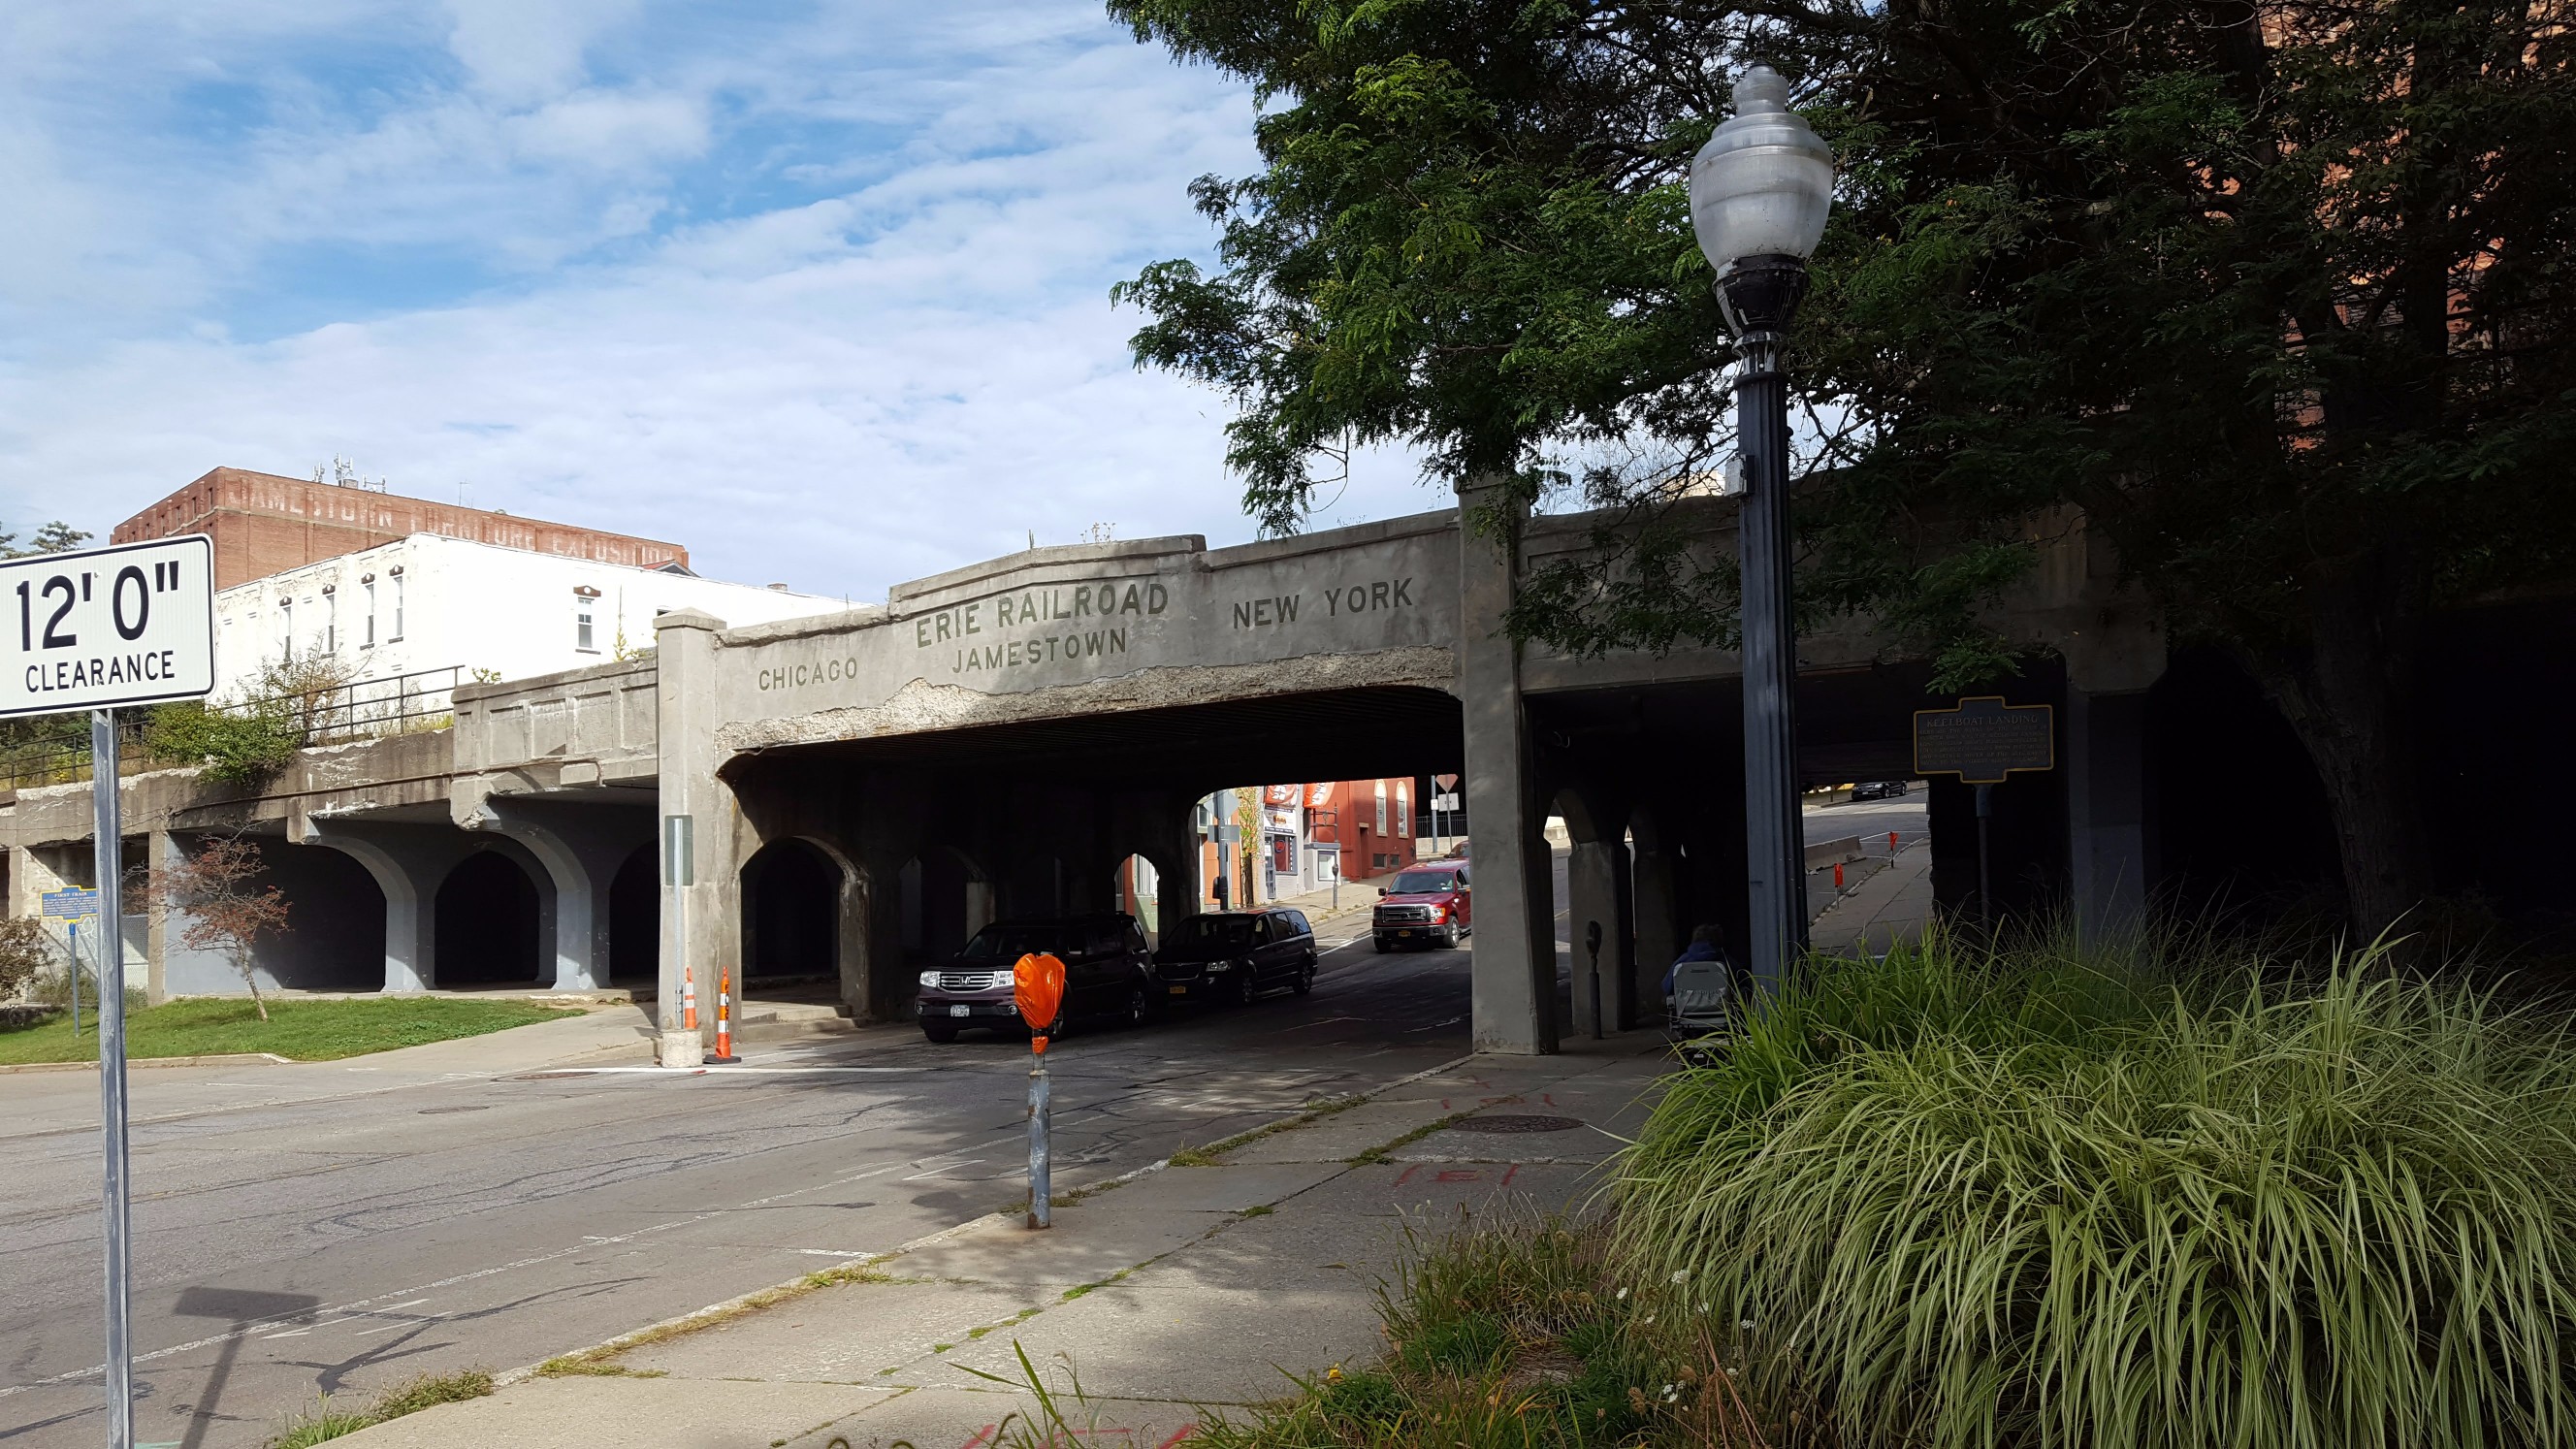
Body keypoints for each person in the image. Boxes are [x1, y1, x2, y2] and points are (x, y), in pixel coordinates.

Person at [1660, 922, 1729, 999]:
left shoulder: (1681, 961)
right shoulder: (1726, 961)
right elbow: (1742, 980)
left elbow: (1666, 987)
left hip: (1685, 1009)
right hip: (1723, 1008)